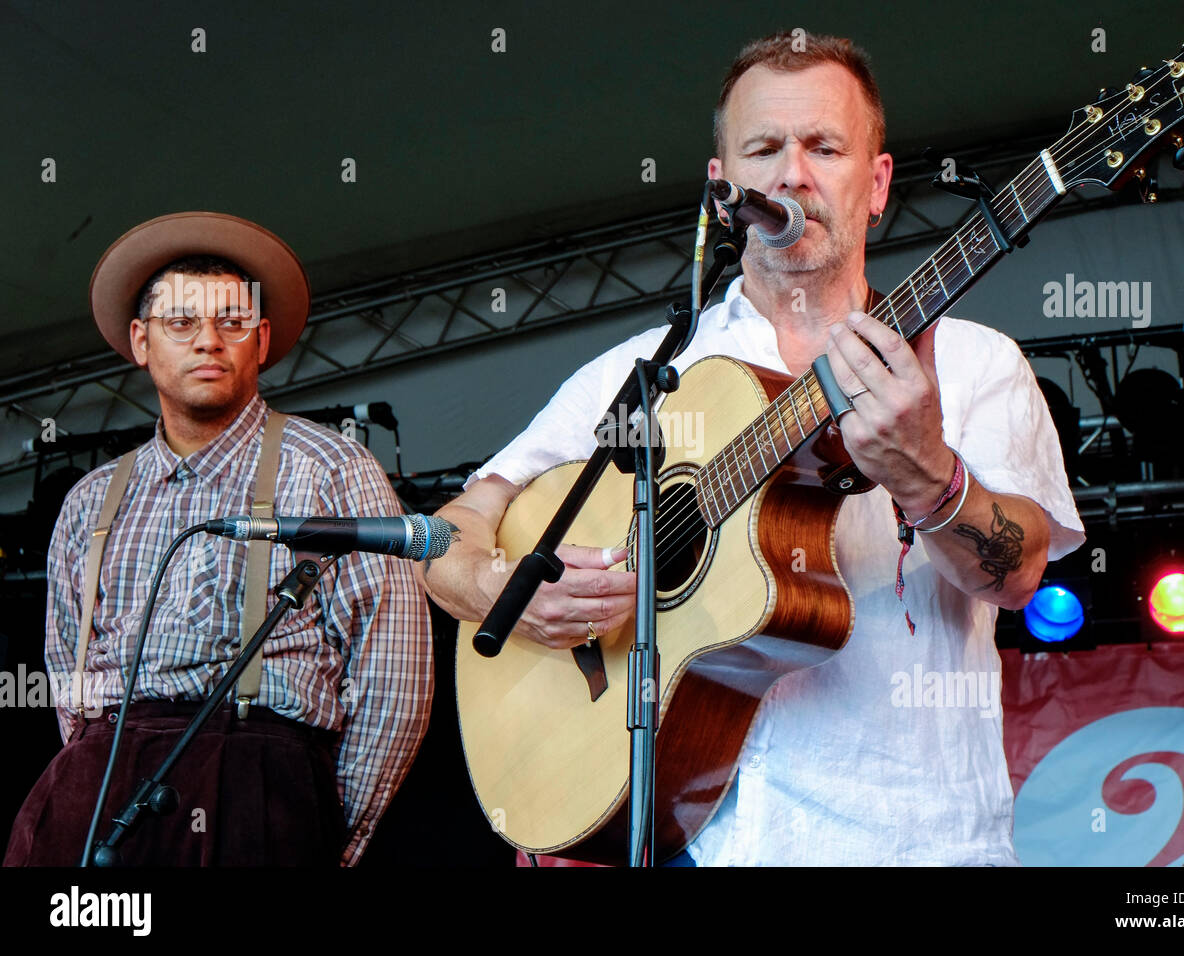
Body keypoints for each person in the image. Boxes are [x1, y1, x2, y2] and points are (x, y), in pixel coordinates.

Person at [423, 32, 1084, 865]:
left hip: (917, 838)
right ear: (721, 186)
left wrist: (932, 482)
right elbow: (449, 530)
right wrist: (501, 588)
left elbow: (1018, 573)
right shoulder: (645, 376)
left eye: (826, 148)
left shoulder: (969, 362)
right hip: (705, 844)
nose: (791, 176)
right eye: (764, 149)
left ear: (877, 184)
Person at [4, 212, 434, 867]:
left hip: (255, 778)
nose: (208, 340)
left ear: (260, 341)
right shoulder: (90, 500)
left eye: (232, 322)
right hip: (95, 790)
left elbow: (391, 674)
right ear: (142, 340)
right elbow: (68, 676)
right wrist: (95, 768)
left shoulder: (331, 468)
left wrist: (328, 835)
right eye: (181, 323)